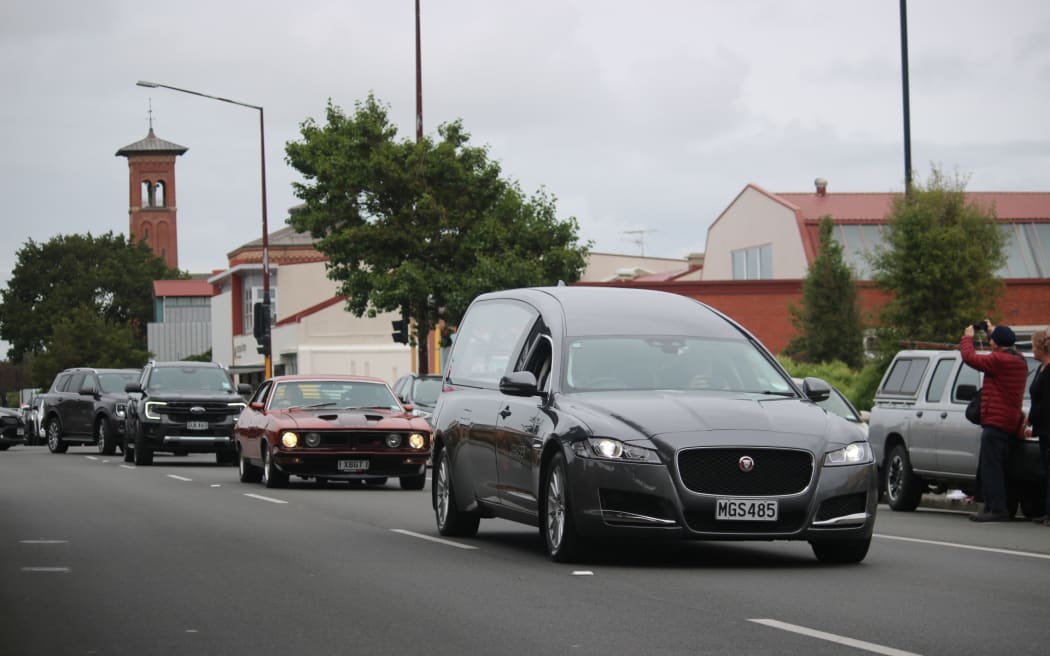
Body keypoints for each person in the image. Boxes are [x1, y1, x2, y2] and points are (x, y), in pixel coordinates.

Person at [960, 320, 1028, 522]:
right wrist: (992, 331)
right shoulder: (1018, 359)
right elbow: (1003, 342)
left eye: (992, 340)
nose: (990, 343)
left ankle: (996, 508)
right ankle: (994, 506)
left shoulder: (1000, 361)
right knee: (998, 465)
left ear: (997, 344)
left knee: (992, 468)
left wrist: (967, 337)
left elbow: (970, 358)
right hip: (1008, 420)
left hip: (996, 422)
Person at [1026, 328, 1050, 526]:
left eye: (1034, 346)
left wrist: (1032, 418)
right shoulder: (1040, 369)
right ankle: (1046, 511)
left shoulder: (1049, 371)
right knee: (1046, 469)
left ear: (1043, 348)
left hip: (1048, 427)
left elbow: (1045, 403)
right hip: (1042, 427)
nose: (1032, 350)